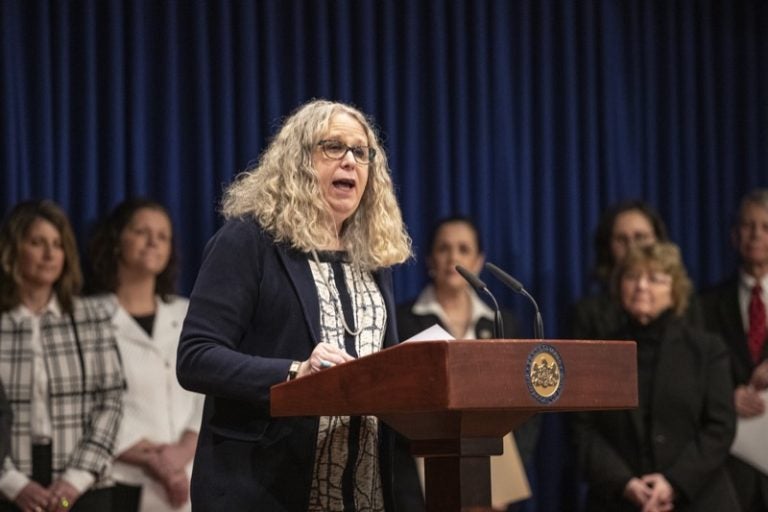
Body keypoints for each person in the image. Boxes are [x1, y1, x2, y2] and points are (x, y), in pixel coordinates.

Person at [176, 99, 414, 511]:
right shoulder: (249, 242)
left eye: (361, 152)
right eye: (333, 147)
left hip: (365, 490)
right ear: (299, 160)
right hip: (266, 486)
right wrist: (295, 374)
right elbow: (196, 357)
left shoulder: (372, 258)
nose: (350, 162)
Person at [574, 242, 739, 512]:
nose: (641, 286)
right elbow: (582, 432)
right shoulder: (596, 353)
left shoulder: (707, 350)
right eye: (632, 277)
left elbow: (720, 428)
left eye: (654, 278)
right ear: (618, 287)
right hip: (617, 499)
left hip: (697, 498)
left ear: (675, 291)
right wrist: (625, 483)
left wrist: (673, 483)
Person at [396, 215, 539, 512]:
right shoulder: (403, 321)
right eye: (444, 248)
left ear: (478, 261)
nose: (453, 258)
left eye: (464, 249)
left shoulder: (503, 322)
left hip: (493, 480)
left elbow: (527, 409)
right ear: (430, 259)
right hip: (418, 482)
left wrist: (502, 483)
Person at [0, 200, 124, 512]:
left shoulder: (91, 316)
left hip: (82, 487)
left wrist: (74, 483)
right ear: (13, 251)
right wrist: (11, 483)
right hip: (11, 484)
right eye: (37, 242)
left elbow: (111, 400)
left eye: (57, 244)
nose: (49, 254)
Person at [87, 198, 203, 512]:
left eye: (163, 236)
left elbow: (206, 392)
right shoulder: (89, 317)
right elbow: (89, 402)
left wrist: (180, 455)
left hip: (188, 479)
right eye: (142, 232)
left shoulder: (188, 312)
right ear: (116, 242)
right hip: (120, 480)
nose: (153, 242)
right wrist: (157, 462)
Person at [699, 189, 768, 512]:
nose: (756, 235)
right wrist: (725, 396)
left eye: (766, 227)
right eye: (748, 225)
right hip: (730, 467)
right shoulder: (705, 304)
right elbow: (690, 376)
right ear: (733, 235)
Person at [571, 200, 702, 339]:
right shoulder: (589, 314)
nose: (632, 247)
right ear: (608, 245)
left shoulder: (688, 307)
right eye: (622, 239)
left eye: (640, 237)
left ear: (658, 239)